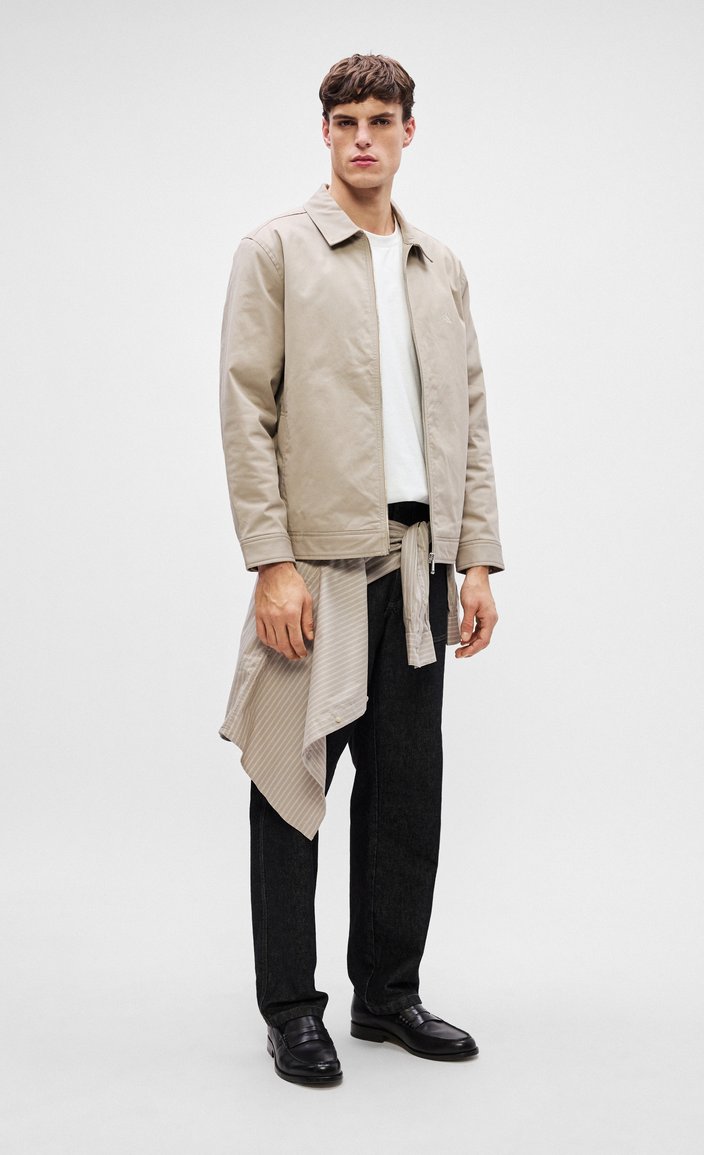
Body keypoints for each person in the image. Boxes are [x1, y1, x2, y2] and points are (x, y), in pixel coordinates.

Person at [218, 53, 504, 1087]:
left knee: (404, 796)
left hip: (424, 567)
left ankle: (387, 996)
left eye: (381, 120)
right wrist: (270, 562)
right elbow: (244, 412)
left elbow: (469, 418)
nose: (363, 138)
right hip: (320, 568)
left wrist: (478, 559)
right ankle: (292, 1011)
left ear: (408, 131)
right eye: (346, 121)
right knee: (289, 787)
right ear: (326, 133)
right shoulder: (276, 251)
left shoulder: (438, 266)